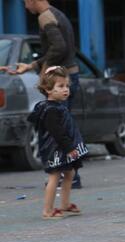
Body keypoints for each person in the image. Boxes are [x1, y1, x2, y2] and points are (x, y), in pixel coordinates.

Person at [10, 0, 83, 188]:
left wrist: (44, 71)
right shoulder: (57, 14)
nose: (26, 7)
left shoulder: (45, 16)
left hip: (60, 81)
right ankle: (69, 175)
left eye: (26, 2)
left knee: (58, 128)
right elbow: (58, 48)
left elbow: (59, 47)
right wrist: (31, 66)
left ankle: (68, 176)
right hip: (67, 77)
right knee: (62, 126)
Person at [27, 66, 88, 219]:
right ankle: (47, 210)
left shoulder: (58, 107)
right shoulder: (51, 110)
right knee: (54, 177)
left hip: (62, 148)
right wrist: (69, 148)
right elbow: (58, 133)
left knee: (70, 173)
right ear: (48, 89)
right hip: (55, 149)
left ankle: (65, 204)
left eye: (67, 86)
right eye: (60, 86)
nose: (66, 89)